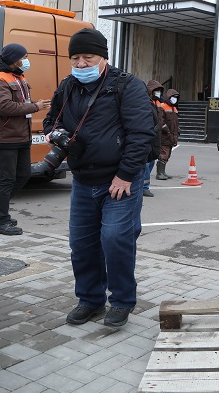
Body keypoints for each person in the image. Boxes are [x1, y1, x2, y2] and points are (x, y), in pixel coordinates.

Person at [43, 28, 155, 328]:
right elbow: (49, 121)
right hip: (82, 180)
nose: (80, 64)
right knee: (81, 244)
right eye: (75, 58)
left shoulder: (127, 86)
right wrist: (57, 135)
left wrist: (125, 175)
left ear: (103, 57)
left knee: (116, 239)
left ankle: (121, 301)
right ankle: (90, 300)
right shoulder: (67, 86)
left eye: (87, 57)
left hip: (118, 182)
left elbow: (141, 134)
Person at [0, 43, 51, 235]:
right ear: (14, 59)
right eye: (24, 56)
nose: (26, 60)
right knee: (7, 179)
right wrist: (34, 107)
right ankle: (1, 222)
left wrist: (34, 105)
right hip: (5, 137)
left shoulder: (18, 76)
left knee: (23, 175)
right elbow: (4, 107)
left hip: (21, 136)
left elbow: (20, 103)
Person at [143, 80, 167, 196]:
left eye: (159, 91)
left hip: (156, 135)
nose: (158, 93)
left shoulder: (158, 102)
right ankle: (144, 186)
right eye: (156, 91)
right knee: (146, 162)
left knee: (152, 160)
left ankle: (144, 185)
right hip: (149, 134)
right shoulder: (145, 101)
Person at [158, 89, 180, 179]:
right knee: (164, 154)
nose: (175, 99)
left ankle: (163, 172)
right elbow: (161, 121)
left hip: (171, 136)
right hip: (165, 136)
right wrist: (166, 130)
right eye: (173, 97)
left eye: (176, 98)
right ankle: (159, 173)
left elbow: (175, 123)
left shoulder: (174, 108)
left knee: (167, 155)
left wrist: (177, 131)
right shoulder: (163, 106)